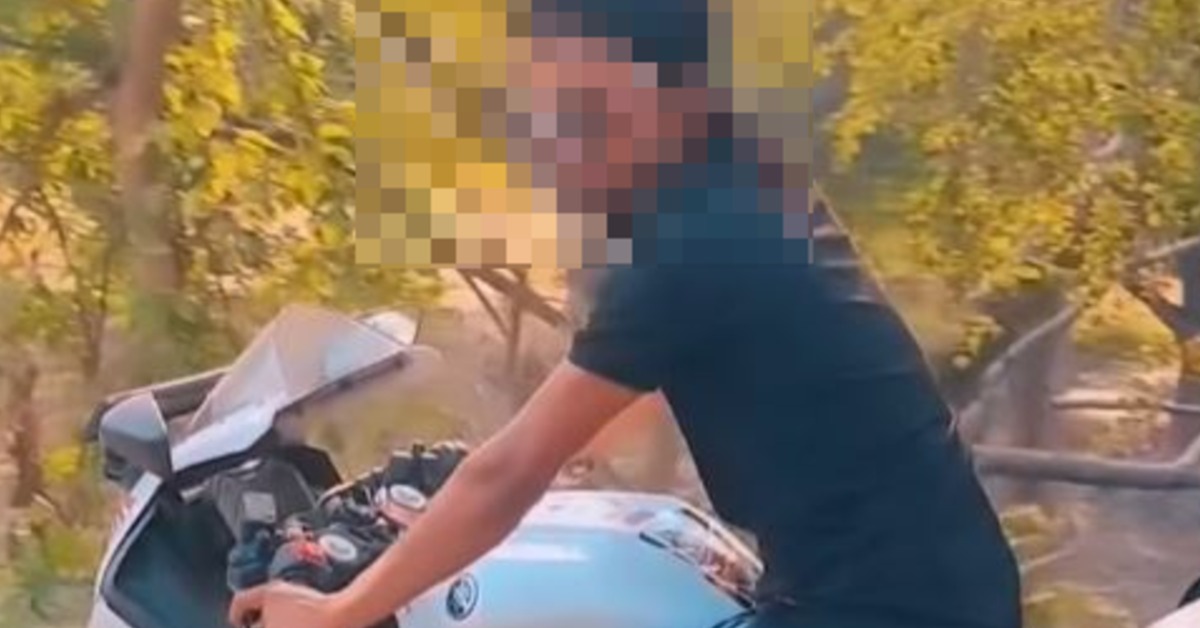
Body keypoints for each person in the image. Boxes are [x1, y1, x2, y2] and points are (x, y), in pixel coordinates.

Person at [229, 1, 1023, 627]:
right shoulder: (740, 185)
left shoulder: (689, 249)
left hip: (884, 611)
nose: (552, 144)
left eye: (586, 112)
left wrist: (339, 611)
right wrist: (467, 493)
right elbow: (618, 404)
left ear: (683, 94)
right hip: (933, 589)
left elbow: (512, 473)